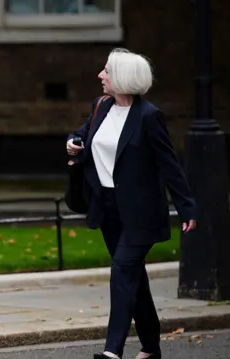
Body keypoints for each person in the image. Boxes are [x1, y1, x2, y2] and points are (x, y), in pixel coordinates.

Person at [66, 48, 197, 359]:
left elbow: (169, 164)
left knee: (123, 271)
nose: (101, 76)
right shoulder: (101, 106)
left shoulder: (149, 117)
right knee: (134, 278)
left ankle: (113, 351)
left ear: (123, 78)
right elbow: (83, 134)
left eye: (107, 72)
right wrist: (73, 142)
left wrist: (186, 205)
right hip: (107, 207)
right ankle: (151, 348)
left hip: (141, 212)